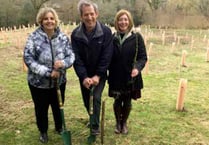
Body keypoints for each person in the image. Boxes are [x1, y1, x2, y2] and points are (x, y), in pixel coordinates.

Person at [23, 7, 75, 143]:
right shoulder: (33, 38)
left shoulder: (63, 37)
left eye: (52, 18)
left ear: (55, 20)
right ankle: (43, 131)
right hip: (39, 84)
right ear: (41, 20)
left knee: (58, 106)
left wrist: (63, 64)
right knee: (41, 109)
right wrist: (48, 72)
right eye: (46, 19)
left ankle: (59, 128)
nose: (49, 21)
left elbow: (71, 56)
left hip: (59, 82)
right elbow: (28, 58)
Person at [71, 0, 113, 135]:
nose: (89, 17)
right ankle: (92, 117)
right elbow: (76, 58)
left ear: (97, 14)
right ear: (81, 16)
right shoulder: (75, 34)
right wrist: (83, 77)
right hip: (84, 75)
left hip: (99, 74)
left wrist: (98, 75)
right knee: (86, 99)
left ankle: (95, 127)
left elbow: (107, 56)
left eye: (92, 14)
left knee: (95, 97)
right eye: (86, 15)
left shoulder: (106, 32)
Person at [108, 9, 147, 134]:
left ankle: (124, 122)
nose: (123, 22)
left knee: (128, 100)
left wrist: (137, 68)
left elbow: (143, 56)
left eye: (125, 19)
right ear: (117, 22)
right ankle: (117, 123)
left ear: (129, 21)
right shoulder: (112, 37)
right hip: (116, 75)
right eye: (120, 20)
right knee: (117, 99)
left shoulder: (136, 37)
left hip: (131, 75)